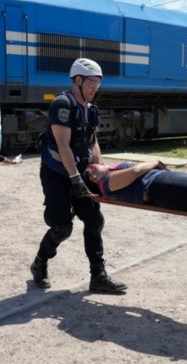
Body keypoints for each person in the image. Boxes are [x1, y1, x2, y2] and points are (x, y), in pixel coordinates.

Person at [29, 58, 127, 294]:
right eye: (92, 82)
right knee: (62, 227)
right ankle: (39, 264)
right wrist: (75, 179)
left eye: (98, 83)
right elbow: (63, 146)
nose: (96, 87)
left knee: (94, 220)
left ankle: (98, 276)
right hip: (57, 172)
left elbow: (93, 143)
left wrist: (100, 169)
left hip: (78, 169)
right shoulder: (62, 105)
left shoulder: (90, 109)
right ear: (78, 80)